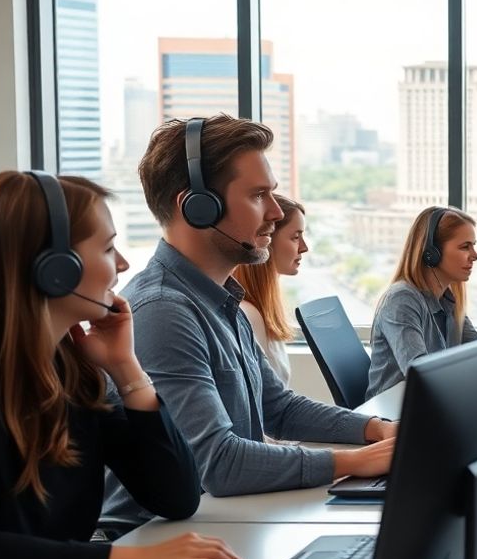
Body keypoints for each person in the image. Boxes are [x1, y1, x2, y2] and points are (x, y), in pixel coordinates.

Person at [0, 170, 244, 559]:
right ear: (55, 269)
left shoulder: (71, 367)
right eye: (106, 247)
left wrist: (126, 369)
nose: (122, 265)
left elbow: (175, 497)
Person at [103, 115, 395, 524]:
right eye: (259, 195)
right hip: (155, 539)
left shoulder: (220, 300)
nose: (275, 212)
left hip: (221, 522)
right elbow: (217, 464)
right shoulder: (163, 311)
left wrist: (377, 430)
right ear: (197, 207)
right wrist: (354, 462)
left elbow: (279, 408)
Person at [365, 205, 477, 400]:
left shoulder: (448, 299)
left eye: (473, 245)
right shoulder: (402, 300)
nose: (475, 255)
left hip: (430, 406)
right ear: (431, 253)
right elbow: (420, 373)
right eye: (465, 247)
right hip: (392, 419)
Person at [232, 193, 308, 385]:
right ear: (267, 241)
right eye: (295, 237)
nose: (304, 247)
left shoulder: (262, 310)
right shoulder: (248, 314)